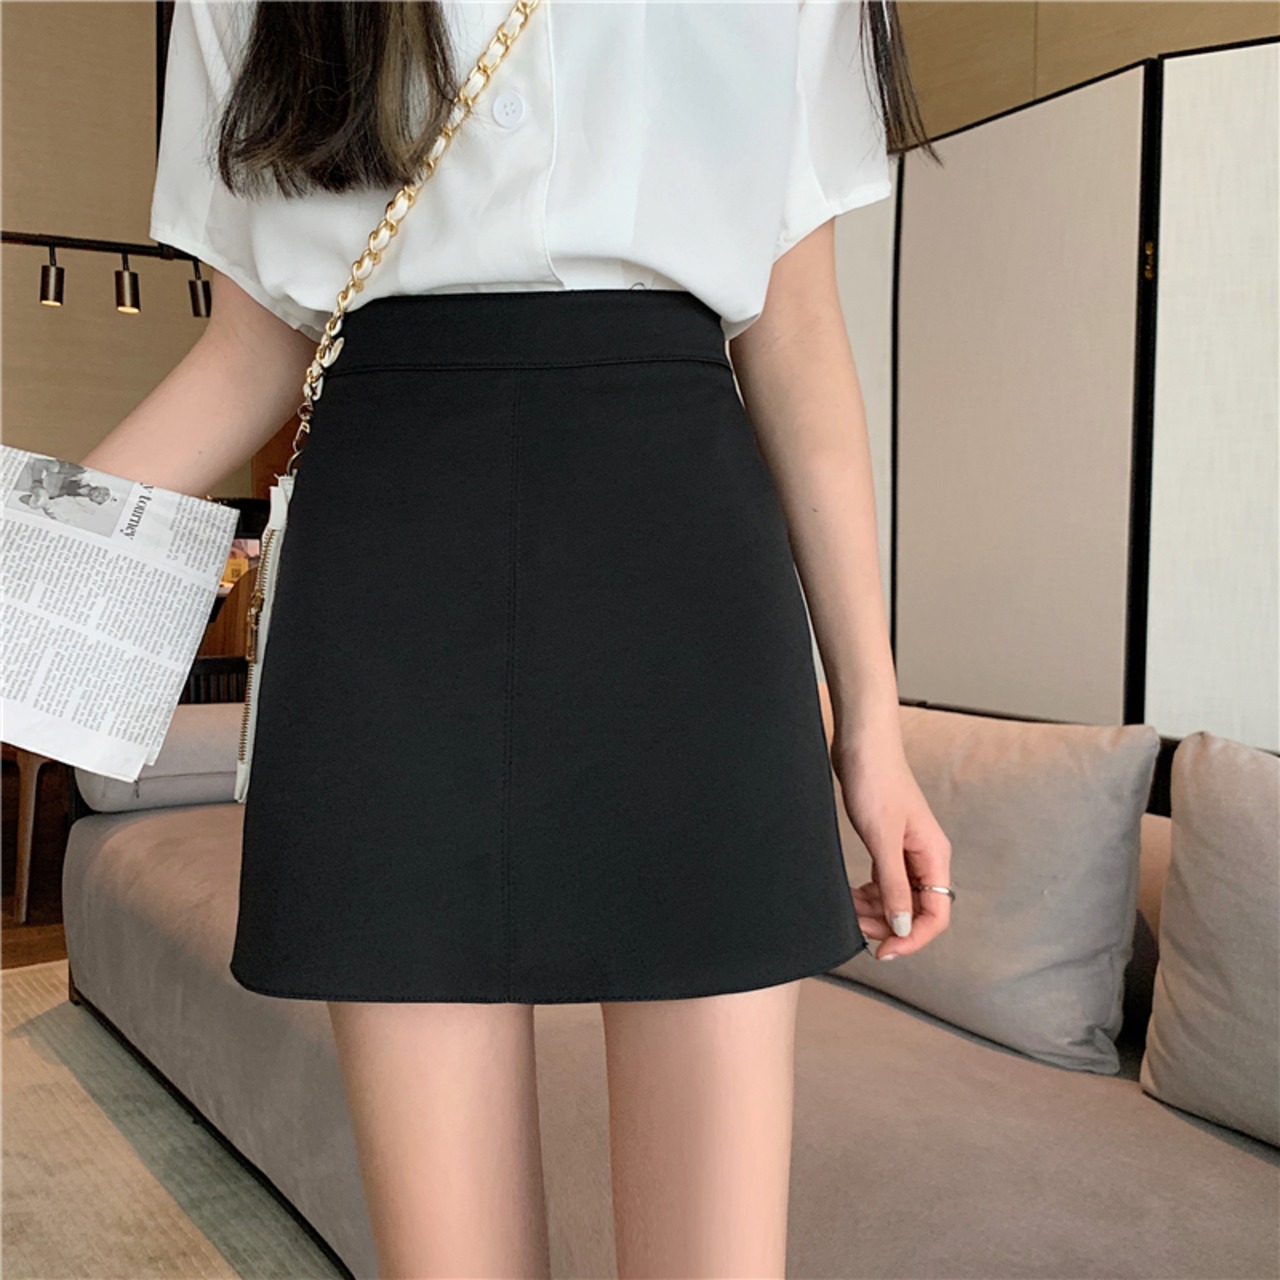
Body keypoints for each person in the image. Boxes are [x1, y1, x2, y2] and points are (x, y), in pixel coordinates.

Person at [82, 1, 953, 1275]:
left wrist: (870, 721)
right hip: (384, 583)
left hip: (687, 580)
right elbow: (250, 344)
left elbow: (797, 328)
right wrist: (32, 580)